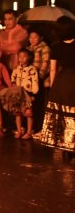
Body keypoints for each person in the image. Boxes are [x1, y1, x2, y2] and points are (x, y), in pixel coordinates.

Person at [36, 17, 75, 153]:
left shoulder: (56, 47)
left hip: (62, 81)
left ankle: (64, 143)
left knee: (62, 113)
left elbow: (52, 69)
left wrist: (53, 86)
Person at [5, 49, 39, 139]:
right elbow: (13, 79)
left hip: (27, 93)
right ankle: (19, 130)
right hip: (17, 94)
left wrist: (33, 94)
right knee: (17, 113)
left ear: (29, 57)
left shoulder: (32, 69)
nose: (22, 59)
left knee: (28, 113)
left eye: (24, 56)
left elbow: (35, 82)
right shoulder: (17, 68)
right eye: (20, 57)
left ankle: (28, 132)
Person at [27, 30, 51, 127]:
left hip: (39, 79)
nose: (32, 39)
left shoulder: (44, 48)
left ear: (41, 38)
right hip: (28, 80)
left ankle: (38, 125)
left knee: (38, 103)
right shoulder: (28, 48)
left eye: (35, 37)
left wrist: (39, 77)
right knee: (30, 104)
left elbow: (46, 63)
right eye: (30, 37)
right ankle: (30, 126)